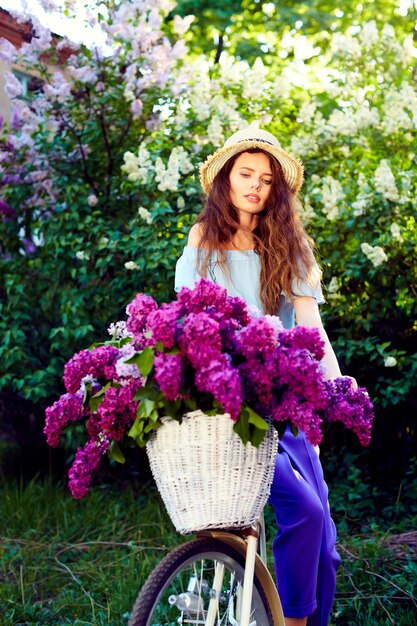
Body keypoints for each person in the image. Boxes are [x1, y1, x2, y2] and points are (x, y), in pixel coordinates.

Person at [174, 127, 357, 626]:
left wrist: (338, 390)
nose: (255, 186)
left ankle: (296, 618)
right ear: (226, 181)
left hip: (284, 395)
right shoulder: (203, 239)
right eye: (246, 174)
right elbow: (187, 319)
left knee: (322, 537)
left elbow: (311, 328)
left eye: (267, 179)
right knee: (304, 511)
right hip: (227, 403)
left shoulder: (290, 247)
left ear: (278, 190)